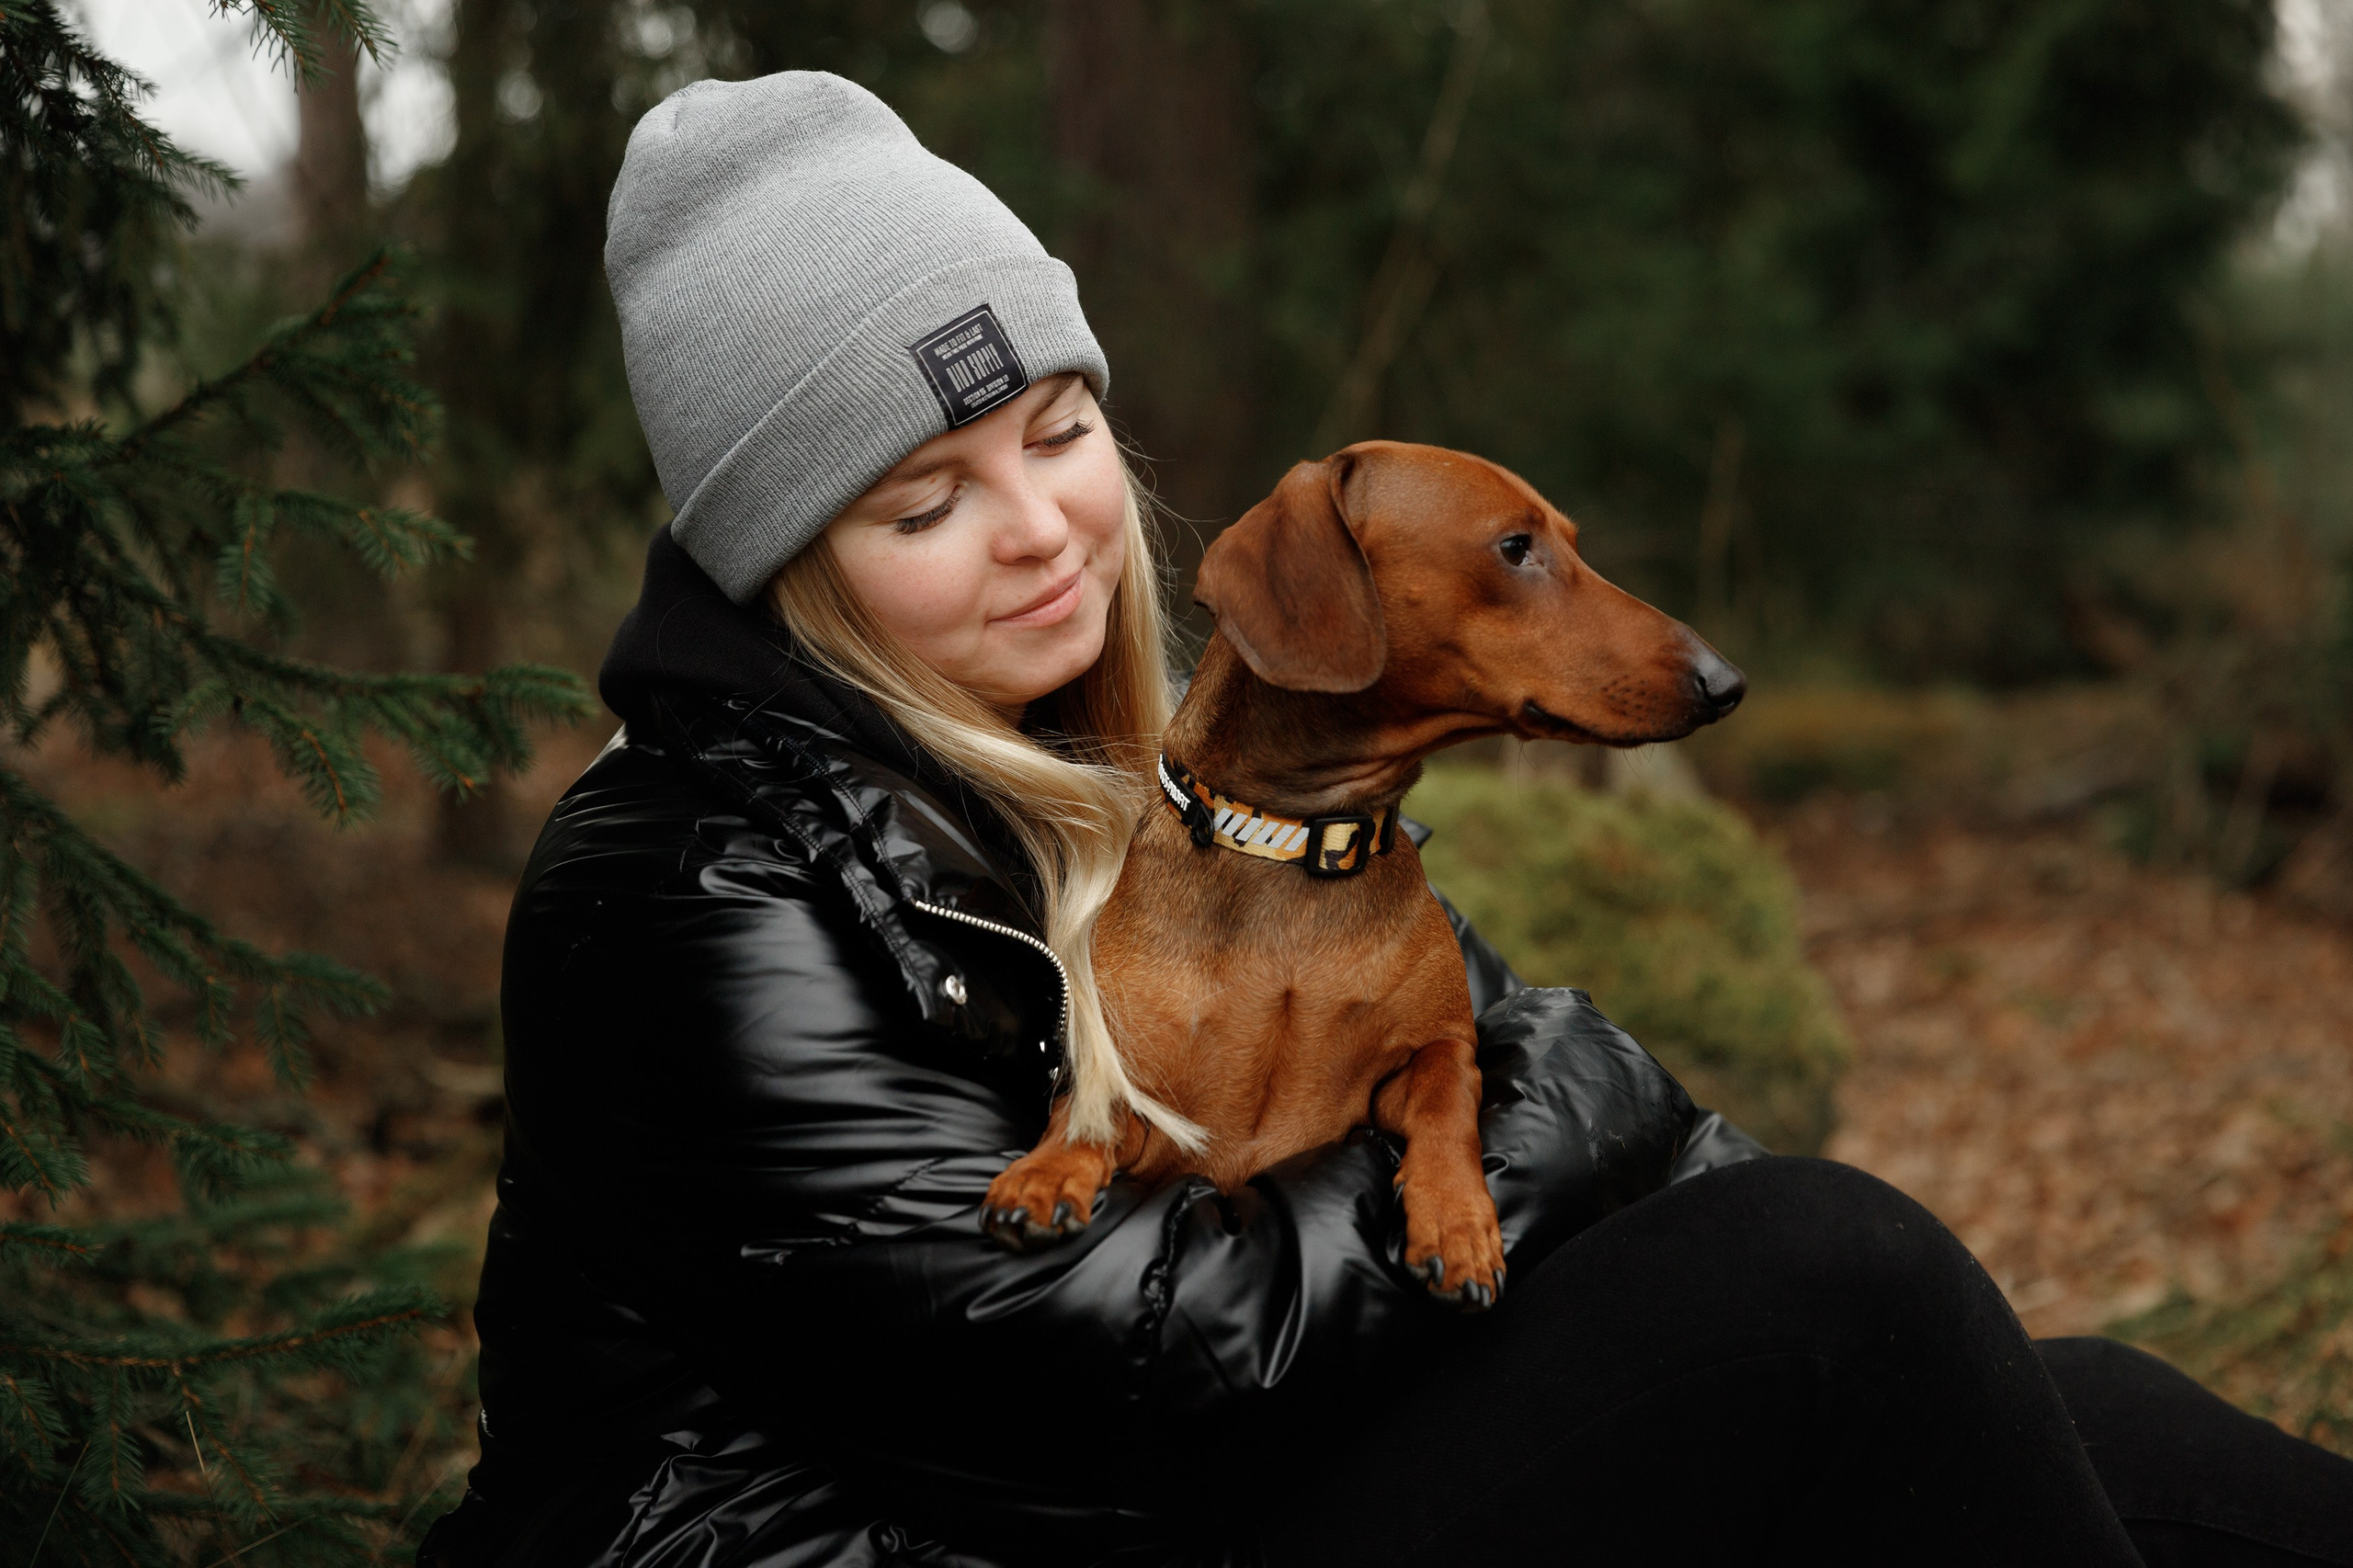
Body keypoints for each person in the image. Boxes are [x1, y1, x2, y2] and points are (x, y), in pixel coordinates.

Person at [419, 72, 2353, 1568]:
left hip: (1184, 1490)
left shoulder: (1144, 785)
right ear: (787, 567)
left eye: (1060, 433)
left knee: (2048, 1390)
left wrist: (1610, 1144)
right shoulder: (686, 881)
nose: (1041, 533)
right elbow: (1087, 1362)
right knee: (1825, 1287)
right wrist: (1554, 1130)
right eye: (923, 502)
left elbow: (1579, 1106)